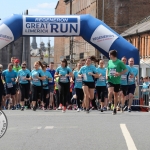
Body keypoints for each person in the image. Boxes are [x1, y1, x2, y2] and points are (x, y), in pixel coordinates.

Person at [106, 50, 127, 115]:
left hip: (117, 81)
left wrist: (119, 73)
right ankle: (109, 102)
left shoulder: (119, 62)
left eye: (110, 55)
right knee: (110, 92)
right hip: (110, 80)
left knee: (115, 95)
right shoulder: (109, 61)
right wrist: (106, 75)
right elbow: (107, 69)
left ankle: (114, 108)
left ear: (112, 55)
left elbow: (125, 70)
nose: (109, 56)